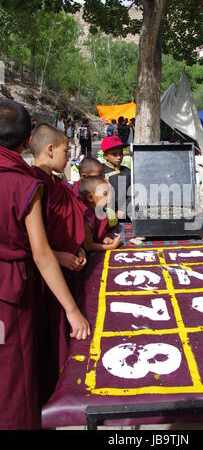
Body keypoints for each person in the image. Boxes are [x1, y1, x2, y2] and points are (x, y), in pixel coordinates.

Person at [0, 100, 90, 430]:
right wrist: (71, 309)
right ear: (27, 141)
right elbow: (41, 252)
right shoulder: (24, 185)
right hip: (11, 295)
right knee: (16, 377)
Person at [30, 124, 89, 391]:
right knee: (50, 340)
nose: (68, 156)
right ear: (50, 149)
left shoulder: (54, 181)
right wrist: (59, 256)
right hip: (44, 276)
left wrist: (77, 249)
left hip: (66, 266)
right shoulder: (33, 184)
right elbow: (26, 240)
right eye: (66, 150)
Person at [80, 176, 122, 253]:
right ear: (90, 197)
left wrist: (105, 237)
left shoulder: (101, 211)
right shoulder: (86, 219)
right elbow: (88, 246)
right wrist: (112, 246)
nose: (110, 198)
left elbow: (101, 230)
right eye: (105, 194)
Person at [101, 136, 131, 221]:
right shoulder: (100, 171)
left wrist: (124, 209)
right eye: (114, 154)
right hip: (104, 215)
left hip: (124, 215)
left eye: (121, 153)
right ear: (105, 155)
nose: (119, 157)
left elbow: (132, 193)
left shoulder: (127, 171)